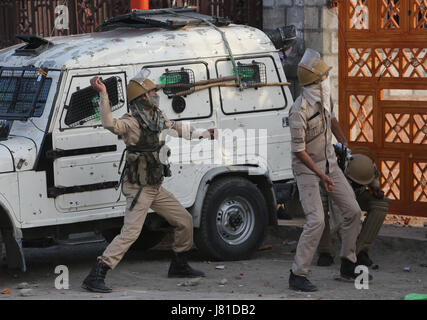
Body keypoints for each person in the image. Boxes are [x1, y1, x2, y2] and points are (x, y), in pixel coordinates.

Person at [82, 69, 215, 293]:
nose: (156, 93)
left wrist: (206, 134)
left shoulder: (157, 115)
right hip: (139, 188)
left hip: (154, 186)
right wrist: (103, 94)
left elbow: (177, 128)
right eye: (152, 90)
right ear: (142, 96)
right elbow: (109, 124)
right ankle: (96, 274)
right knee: (130, 233)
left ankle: (179, 264)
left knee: (184, 220)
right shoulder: (131, 121)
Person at [288, 48, 364, 292]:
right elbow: (299, 151)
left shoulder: (324, 95)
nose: (325, 79)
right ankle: (297, 274)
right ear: (314, 83)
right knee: (316, 220)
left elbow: (331, 120)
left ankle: (348, 264)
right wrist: (321, 176)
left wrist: (343, 143)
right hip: (307, 169)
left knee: (352, 211)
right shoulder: (298, 111)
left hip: (329, 163)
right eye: (322, 77)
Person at [317, 152, 391, 267]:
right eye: (356, 183)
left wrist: (375, 187)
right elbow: (341, 221)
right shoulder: (337, 174)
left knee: (381, 204)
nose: (358, 185)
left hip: (355, 195)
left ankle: (361, 251)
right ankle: (325, 252)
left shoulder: (368, 166)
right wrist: (349, 248)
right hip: (330, 193)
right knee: (320, 211)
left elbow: (374, 176)